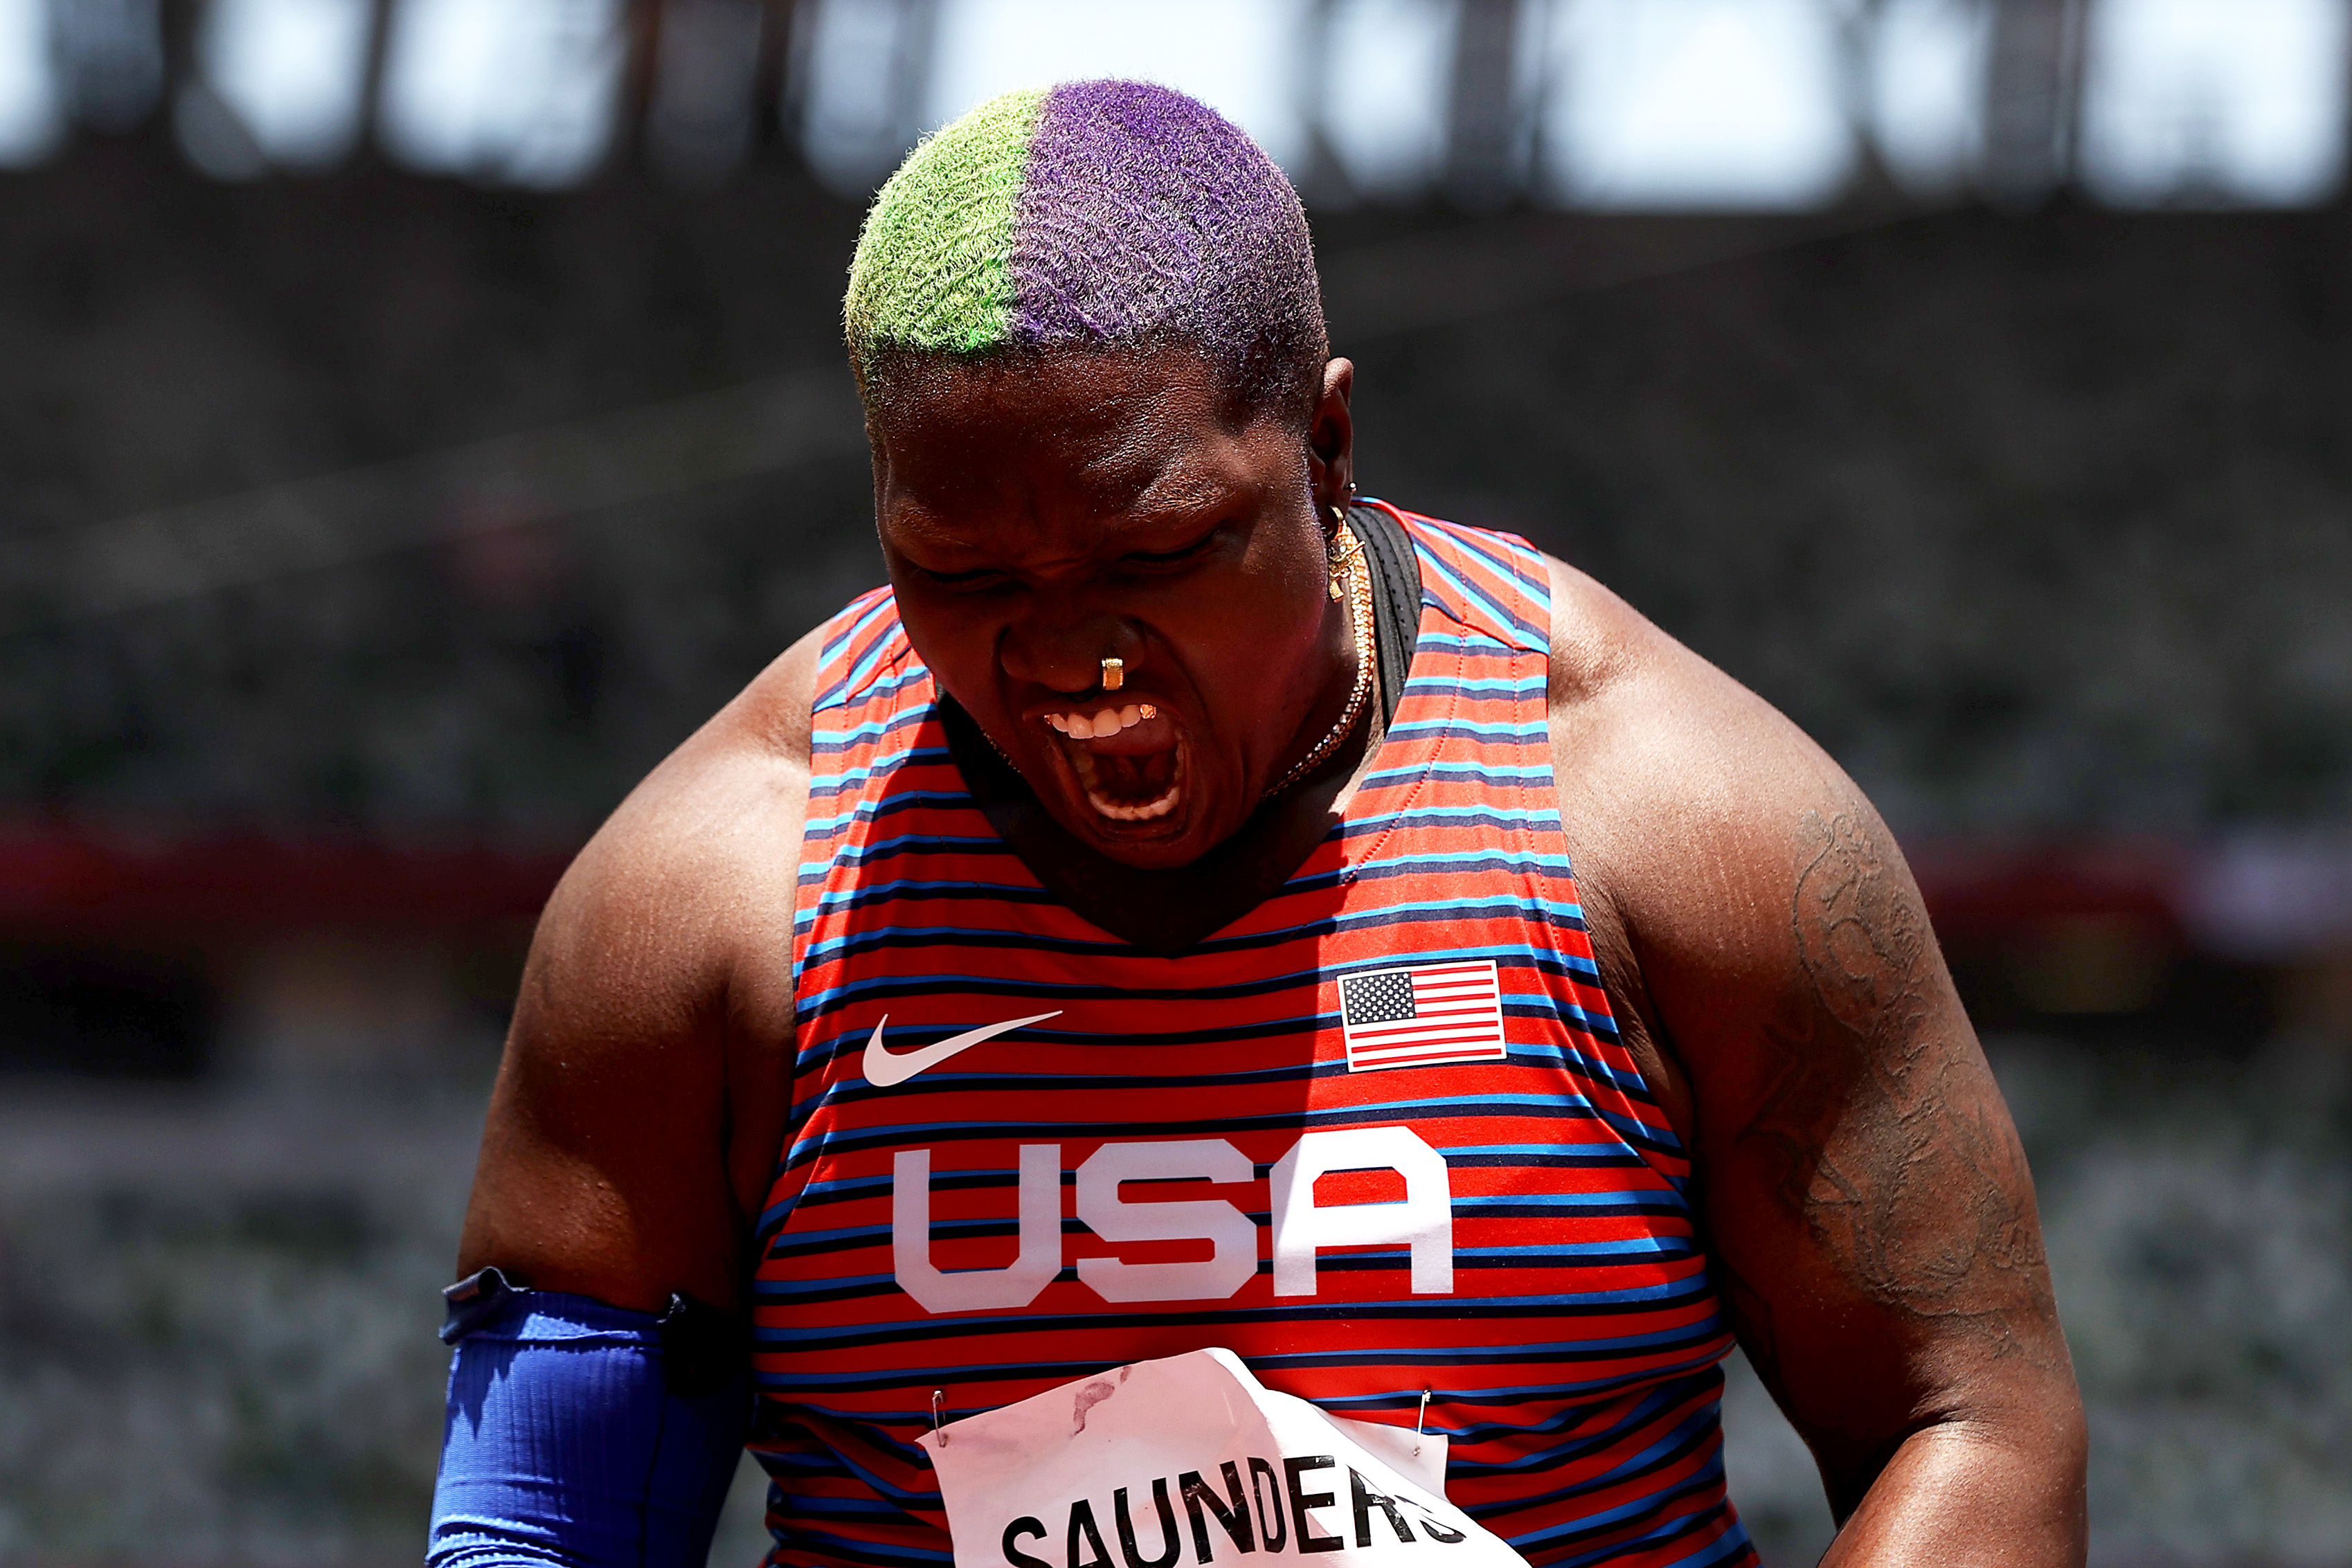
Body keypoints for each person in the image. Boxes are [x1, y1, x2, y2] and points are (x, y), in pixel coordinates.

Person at [427, 80, 2085, 1568]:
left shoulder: (1673, 822)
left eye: (1158, 554)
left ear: (1326, 447)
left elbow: (1973, 1423)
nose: (1072, 661)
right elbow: (539, 1530)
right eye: (963, 573)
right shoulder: (711, 893)